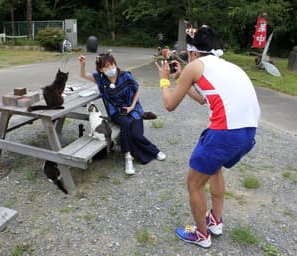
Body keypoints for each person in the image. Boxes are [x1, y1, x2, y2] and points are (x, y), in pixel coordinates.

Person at [156, 26, 260, 248]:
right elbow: (203, 98)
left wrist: (165, 80)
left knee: (194, 184)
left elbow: (169, 104)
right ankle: (215, 221)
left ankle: (202, 236)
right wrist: (179, 79)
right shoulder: (228, 66)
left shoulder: (194, 66)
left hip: (224, 132)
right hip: (248, 131)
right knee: (215, 169)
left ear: (193, 52)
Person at [79, 50, 166, 175]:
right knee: (125, 124)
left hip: (134, 108)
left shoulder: (125, 76)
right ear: (101, 69)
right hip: (116, 111)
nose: (110, 68)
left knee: (136, 134)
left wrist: (131, 106)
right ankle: (128, 157)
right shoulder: (100, 79)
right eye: (106, 66)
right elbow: (83, 75)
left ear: (115, 64)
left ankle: (154, 151)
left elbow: (137, 90)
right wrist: (82, 64)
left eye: (111, 64)